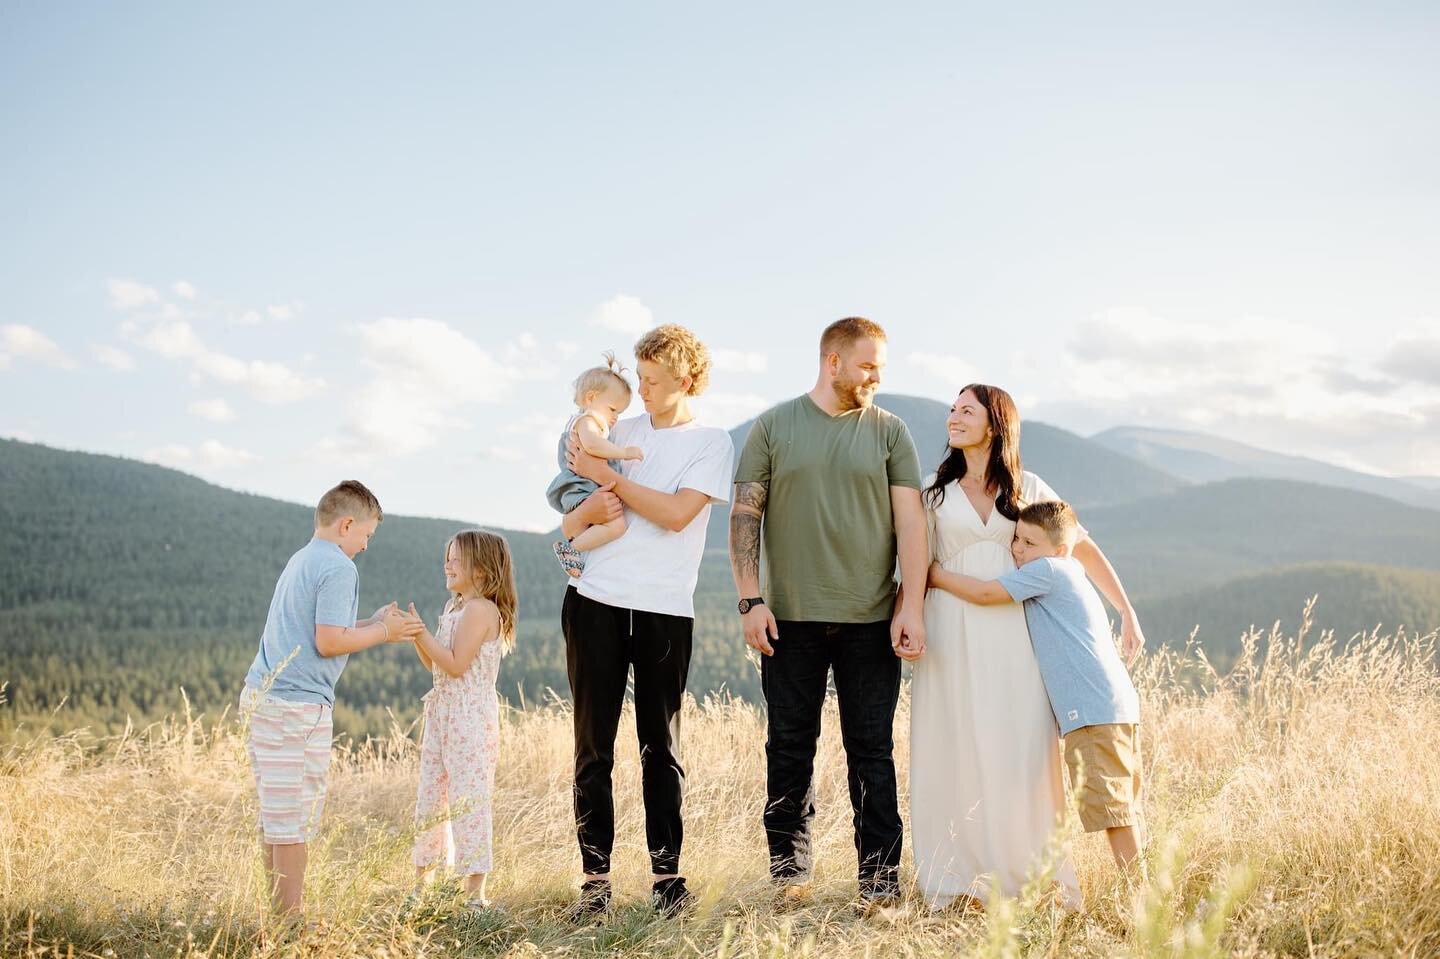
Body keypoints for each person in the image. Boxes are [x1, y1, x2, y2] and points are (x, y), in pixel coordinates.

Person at [908, 385, 1144, 910]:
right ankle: (957, 878)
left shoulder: (1029, 486)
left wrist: (1124, 609)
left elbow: (1077, 546)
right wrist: (908, 614)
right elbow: (914, 560)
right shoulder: (932, 491)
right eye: (952, 409)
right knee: (955, 740)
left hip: (1018, 630)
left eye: (966, 409)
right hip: (950, 630)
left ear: (996, 423)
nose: (953, 416)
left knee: (1022, 747)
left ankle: (1033, 876)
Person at [729, 317, 928, 908]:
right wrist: (750, 597)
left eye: (881, 368)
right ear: (832, 361)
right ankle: (789, 877)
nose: (876, 376)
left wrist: (909, 605)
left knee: (872, 750)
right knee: (790, 747)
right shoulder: (772, 426)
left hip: (872, 620)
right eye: (868, 365)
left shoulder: (891, 432)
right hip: (788, 619)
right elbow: (745, 518)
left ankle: (880, 882)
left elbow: (911, 524)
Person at [561, 324, 735, 919]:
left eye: (654, 380)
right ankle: (595, 886)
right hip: (594, 603)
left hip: (664, 611)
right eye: (639, 376)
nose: (641, 387)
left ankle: (667, 882)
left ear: (686, 380)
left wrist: (611, 478)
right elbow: (573, 499)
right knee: (593, 749)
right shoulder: (618, 430)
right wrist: (587, 504)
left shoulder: (711, 442)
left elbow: (676, 515)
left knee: (660, 747)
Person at [927, 500, 1145, 881]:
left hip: (1090, 711)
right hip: (1115, 704)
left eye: (1030, 543)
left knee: (1113, 810)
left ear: (1060, 549)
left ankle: (1139, 898)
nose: (1018, 550)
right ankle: (1142, 890)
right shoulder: (1071, 570)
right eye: (1017, 540)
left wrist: (934, 574)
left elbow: (984, 593)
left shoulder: (1049, 570)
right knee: (1125, 803)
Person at [240, 480, 420, 918]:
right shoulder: (340, 567)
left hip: (265, 698)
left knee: (279, 816)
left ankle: (280, 915)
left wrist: (371, 619)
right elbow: (328, 641)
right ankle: (290, 924)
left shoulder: (304, 558)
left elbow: (324, 626)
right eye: (366, 535)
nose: (364, 546)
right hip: (294, 706)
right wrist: (385, 633)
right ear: (346, 525)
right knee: (294, 821)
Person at [407, 529, 518, 912]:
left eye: (456, 559)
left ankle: (474, 895)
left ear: (482, 570)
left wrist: (422, 632)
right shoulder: (454, 607)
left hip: (469, 716)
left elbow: (456, 666)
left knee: (468, 799)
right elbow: (436, 665)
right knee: (431, 795)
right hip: (443, 711)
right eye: (447, 557)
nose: (447, 565)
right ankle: (423, 884)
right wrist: (418, 636)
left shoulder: (480, 610)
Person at [547, 353, 645, 577]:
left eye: (619, 413)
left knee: (594, 525)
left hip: (583, 486)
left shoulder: (587, 421)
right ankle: (571, 549)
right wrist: (624, 453)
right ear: (591, 398)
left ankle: (576, 552)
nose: (615, 418)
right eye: (613, 410)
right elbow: (592, 445)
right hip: (583, 485)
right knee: (616, 526)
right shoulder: (588, 421)